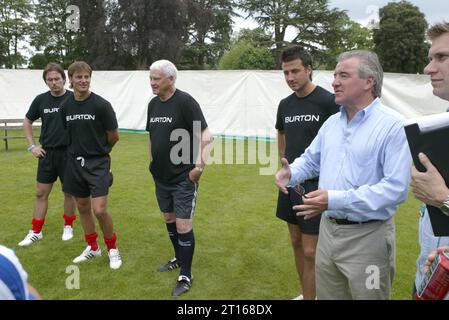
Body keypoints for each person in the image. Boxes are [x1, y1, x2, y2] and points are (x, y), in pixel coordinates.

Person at [275, 50, 411, 299]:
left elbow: (395, 189)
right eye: (335, 75)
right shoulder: (332, 124)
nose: (335, 81)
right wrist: (291, 173)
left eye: (344, 75)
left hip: (369, 239)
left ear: (369, 81)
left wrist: (334, 199)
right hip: (328, 233)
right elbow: (310, 160)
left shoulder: (393, 126)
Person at [275, 45, 339, 300]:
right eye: (286, 73)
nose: (290, 78)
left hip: (316, 185)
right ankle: (307, 293)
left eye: (295, 71)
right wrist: (284, 163)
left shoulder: (328, 101)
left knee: (312, 251)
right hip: (291, 183)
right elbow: (281, 132)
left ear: (309, 69)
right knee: (296, 243)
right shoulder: (285, 104)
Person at [146, 59, 211, 296]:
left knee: (183, 226)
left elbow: (205, 134)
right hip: (160, 177)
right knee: (169, 220)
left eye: (156, 79)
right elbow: (152, 136)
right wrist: (151, 162)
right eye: (151, 78)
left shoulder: (185, 102)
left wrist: (198, 167)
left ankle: (185, 273)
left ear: (170, 79)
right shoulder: (153, 105)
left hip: (183, 178)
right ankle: (178, 257)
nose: (152, 83)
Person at [60, 61, 122, 270]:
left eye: (86, 77)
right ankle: (93, 247)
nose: (83, 81)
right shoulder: (65, 106)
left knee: (100, 210)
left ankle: (112, 249)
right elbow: (67, 133)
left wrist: (101, 153)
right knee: (83, 207)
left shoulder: (101, 105)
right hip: (74, 164)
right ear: (71, 80)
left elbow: (114, 136)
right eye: (79, 77)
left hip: (98, 164)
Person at [18, 63, 77, 247]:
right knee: (41, 193)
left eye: (57, 79)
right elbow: (27, 122)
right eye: (49, 80)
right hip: (47, 154)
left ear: (64, 80)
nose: (53, 83)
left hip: (69, 153)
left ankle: (68, 225)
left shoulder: (73, 98)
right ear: (46, 82)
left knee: (69, 192)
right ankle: (36, 231)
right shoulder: (40, 100)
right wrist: (32, 146)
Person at [410, 22, 449, 296]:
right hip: (429, 275)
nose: (428, 69)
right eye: (430, 58)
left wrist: (443, 199)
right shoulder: (443, 123)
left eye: (442, 57)